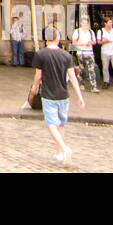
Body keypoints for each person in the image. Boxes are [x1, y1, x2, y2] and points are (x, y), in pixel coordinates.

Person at [29, 26, 87, 165]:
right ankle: (59, 153)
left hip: (49, 95)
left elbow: (38, 76)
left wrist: (34, 88)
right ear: (58, 38)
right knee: (61, 124)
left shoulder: (41, 54)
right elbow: (73, 77)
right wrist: (80, 96)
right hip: (64, 95)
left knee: (51, 124)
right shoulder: (66, 55)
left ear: (46, 39)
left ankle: (64, 148)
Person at [70, 16, 99, 93]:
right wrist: (82, 44)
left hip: (89, 52)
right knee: (82, 70)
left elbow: (95, 41)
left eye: (86, 23)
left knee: (91, 69)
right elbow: (73, 42)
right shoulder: (77, 31)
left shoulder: (91, 32)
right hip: (81, 53)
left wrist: (90, 43)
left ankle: (93, 86)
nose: (85, 24)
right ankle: (81, 83)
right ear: (81, 23)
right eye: (83, 23)